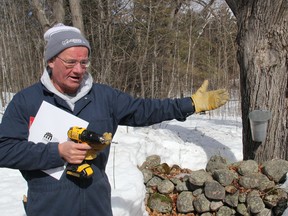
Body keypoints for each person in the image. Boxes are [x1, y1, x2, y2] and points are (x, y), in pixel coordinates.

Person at [0, 23, 229, 216]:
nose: (79, 70)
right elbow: (5, 150)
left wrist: (190, 104)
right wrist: (57, 152)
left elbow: (145, 110)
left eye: (84, 62)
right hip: (49, 207)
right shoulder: (27, 101)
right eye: (70, 62)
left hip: (96, 204)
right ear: (50, 61)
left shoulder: (105, 97)